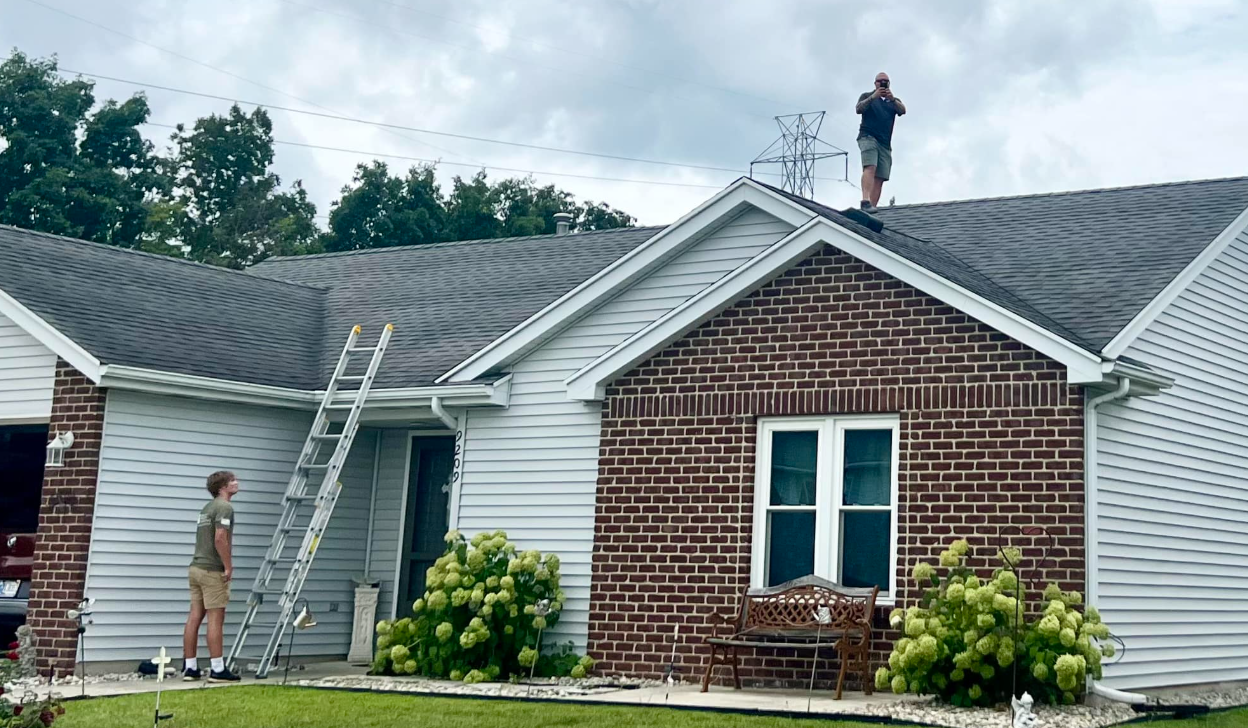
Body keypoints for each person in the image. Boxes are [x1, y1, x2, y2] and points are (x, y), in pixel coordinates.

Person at [182, 470, 241, 682]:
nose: (236, 483)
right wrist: (228, 566)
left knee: (195, 616)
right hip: (211, 570)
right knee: (216, 618)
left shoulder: (207, 508)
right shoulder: (225, 507)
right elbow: (220, 538)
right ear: (222, 487)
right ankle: (217, 668)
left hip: (195, 568)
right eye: (232, 481)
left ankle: (190, 667)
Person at [855, 72, 906, 212]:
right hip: (868, 137)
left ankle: (872, 207)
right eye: (879, 81)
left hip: (885, 143)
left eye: (885, 82)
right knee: (870, 166)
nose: (882, 84)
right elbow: (859, 109)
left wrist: (892, 99)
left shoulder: (893, 101)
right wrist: (873, 97)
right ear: (875, 83)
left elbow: (903, 110)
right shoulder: (867, 96)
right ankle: (865, 201)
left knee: (881, 176)